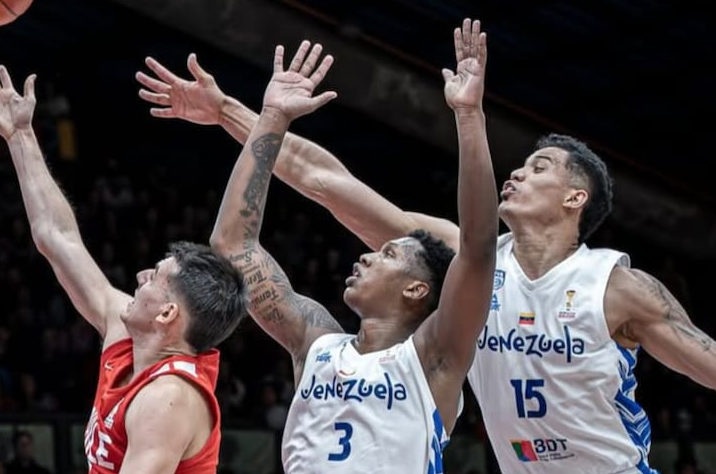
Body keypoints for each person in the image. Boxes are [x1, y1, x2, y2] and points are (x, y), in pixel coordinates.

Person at [138, 20, 716, 472]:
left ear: (577, 200)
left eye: (541, 169)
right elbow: (324, 180)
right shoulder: (457, 262)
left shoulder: (615, 286)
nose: (519, 171)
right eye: (520, 165)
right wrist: (230, 111)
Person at [206, 24, 497, 473]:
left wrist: (468, 115)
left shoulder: (433, 355)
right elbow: (232, 244)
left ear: (418, 290)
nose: (365, 255)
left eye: (388, 255)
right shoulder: (315, 342)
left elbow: (477, 249)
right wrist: (273, 119)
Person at [0, 60, 249, 474]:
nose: (138, 279)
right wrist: (20, 136)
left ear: (168, 314)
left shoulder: (169, 398)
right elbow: (57, 239)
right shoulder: (127, 338)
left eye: (154, 276)